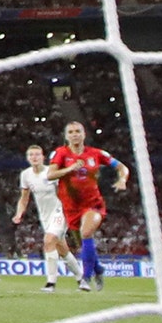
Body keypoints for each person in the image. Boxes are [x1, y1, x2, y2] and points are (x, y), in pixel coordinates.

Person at [46, 121, 129, 291]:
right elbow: (50, 175)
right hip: (70, 207)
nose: (75, 134)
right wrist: (69, 169)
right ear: (66, 136)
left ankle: (86, 278)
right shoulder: (61, 154)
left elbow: (122, 167)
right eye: (71, 132)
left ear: (84, 134)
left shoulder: (96, 154)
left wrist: (122, 180)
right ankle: (98, 269)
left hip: (93, 204)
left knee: (86, 232)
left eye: (78, 131)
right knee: (83, 243)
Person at [13, 144, 84, 292]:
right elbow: (24, 198)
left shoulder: (51, 173)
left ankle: (51, 283)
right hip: (45, 215)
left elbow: (65, 191)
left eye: (37, 154)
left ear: (43, 157)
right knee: (62, 249)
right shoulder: (26, 175)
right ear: (27, 158)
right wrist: (19, 214)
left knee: (49, 239)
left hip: (60, 211)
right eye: (31, 155)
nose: (34, 157)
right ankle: (81, 279)